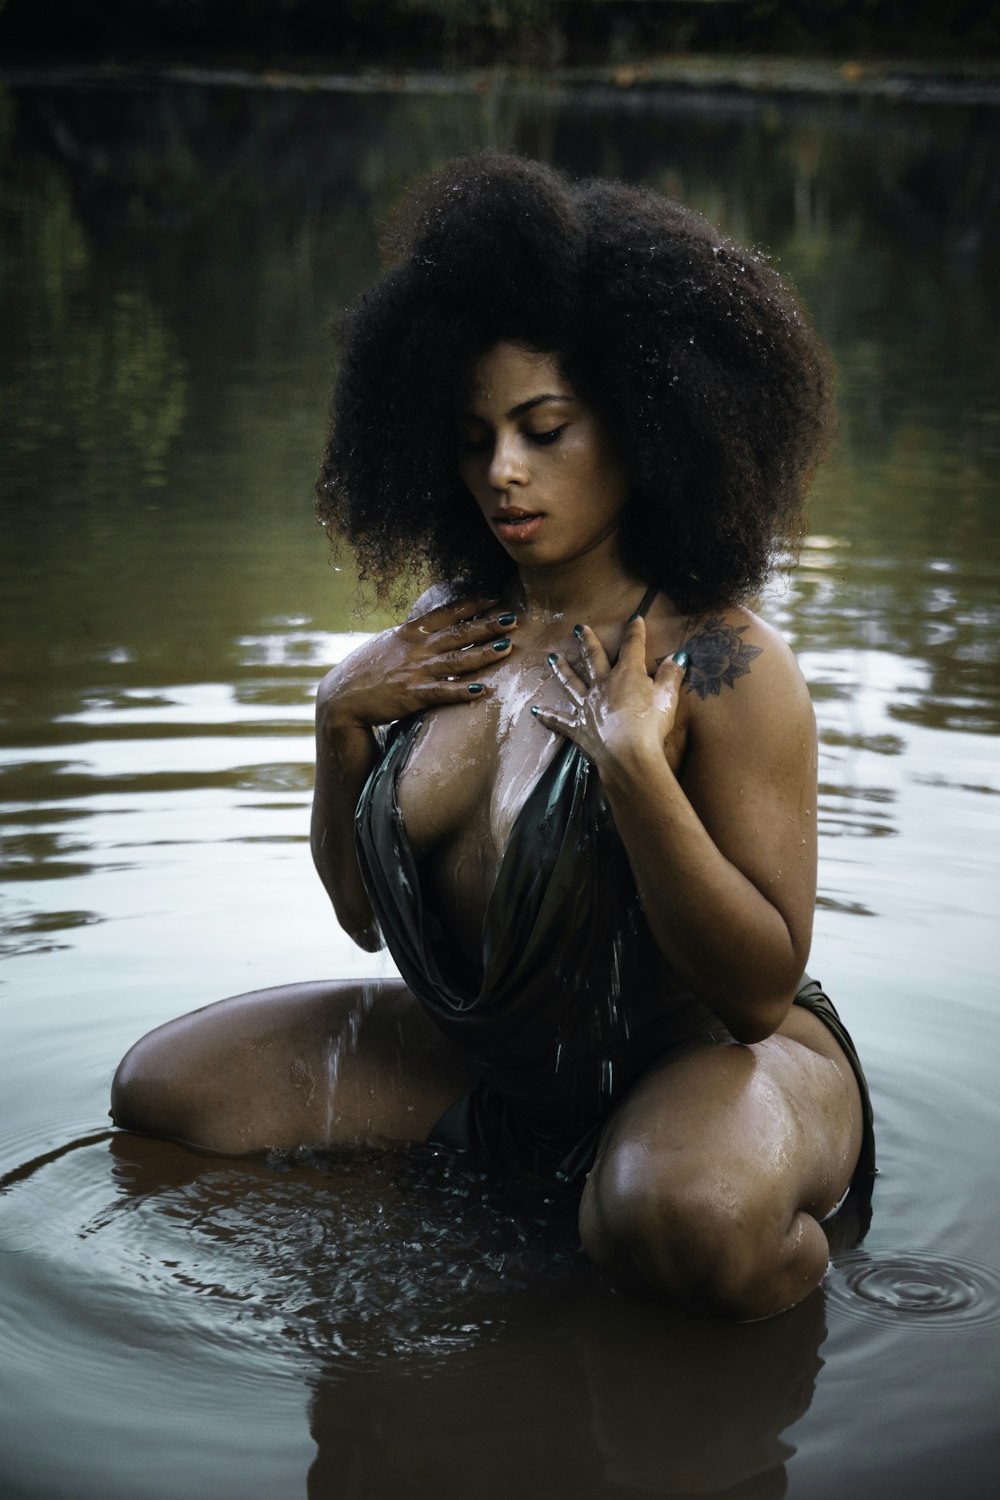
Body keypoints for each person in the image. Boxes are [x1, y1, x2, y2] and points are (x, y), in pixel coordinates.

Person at [111, 153, 874, 1320]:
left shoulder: (728, 663)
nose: (502, 472)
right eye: (473, 438)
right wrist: (338, 728)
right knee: (165, 1095)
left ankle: (791, 1277)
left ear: (644, 421)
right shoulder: (440, 635)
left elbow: (760, 990)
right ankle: (513, 1246)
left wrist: (634, 775)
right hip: (500, 1064)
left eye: (545, 428)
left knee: (680, 1218)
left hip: (709, 1068)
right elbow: (365, 919)